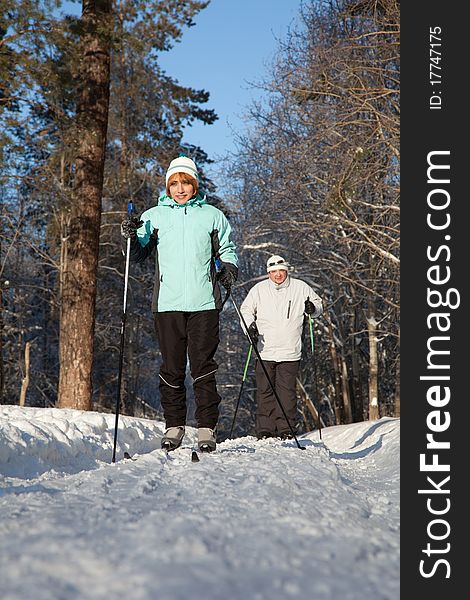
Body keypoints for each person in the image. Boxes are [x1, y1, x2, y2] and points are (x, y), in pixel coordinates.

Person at [121, 155, 238, 452]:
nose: (180, 189)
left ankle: (206, 429)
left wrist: (228, 268)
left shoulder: (212, 216)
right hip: (168, 303)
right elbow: (138, 254)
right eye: (174, 184)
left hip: (204, 303)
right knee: (172, 367)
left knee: (203, 367)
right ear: (168, 186)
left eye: (186, 183)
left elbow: (227, 248)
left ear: (195, 184)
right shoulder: (154, 216)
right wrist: (132, 232)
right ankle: (174, 426)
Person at [240, 255, 323, 439]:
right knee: (265, 391)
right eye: (274, 272)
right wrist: (249, 328)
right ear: (268, 273)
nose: (278, 275)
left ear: (287, 270)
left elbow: (318, 305)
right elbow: (245, 310)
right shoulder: (259, 290)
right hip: (264, 349)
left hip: (290, 350)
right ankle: (265, 430)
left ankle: (286, 429)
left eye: (281, 271)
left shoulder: (300, 287)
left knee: (287, 392)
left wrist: (313, 309)